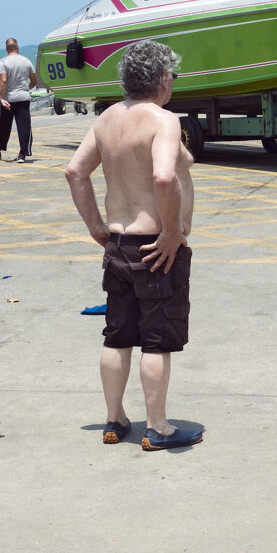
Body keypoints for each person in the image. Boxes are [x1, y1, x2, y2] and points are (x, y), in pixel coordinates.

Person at [64, 40, 200, 451]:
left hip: (119, 245)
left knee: (117, 336)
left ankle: (114, 419)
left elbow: (75, 171)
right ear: (162, 78)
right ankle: (157, 427)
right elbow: (162, 177)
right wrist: (173, 232)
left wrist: (96, 226)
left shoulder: (107, 119)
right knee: (157, 341)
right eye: (171, 76)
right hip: (155, 247)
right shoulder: (162, 119)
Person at [0, 37, 38, 163]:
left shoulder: (3, 61)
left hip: (8, 99)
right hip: (23, 98)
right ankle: (23, 153)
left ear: (6, 48)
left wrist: (1, 98)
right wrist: (25, 89)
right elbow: (34, 80)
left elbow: (3, 81)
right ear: (17, 47)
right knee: (24, 126)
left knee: (3, 126)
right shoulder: (26, 61)